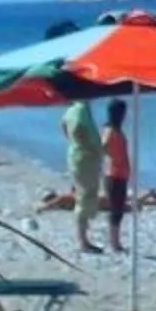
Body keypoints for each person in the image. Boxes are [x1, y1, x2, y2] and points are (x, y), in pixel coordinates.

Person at [61, 99, 104, 253]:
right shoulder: (81, 110)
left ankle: (84, 238)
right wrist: (89, 146)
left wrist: (75, 142)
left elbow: (63, 126)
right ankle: (83, 241)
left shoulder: (71, 109)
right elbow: (79, 127)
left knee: (84, 195)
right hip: (85, 157)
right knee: (85, 197)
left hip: (77, 155)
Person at [101, 99, 134, 253]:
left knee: (118, 208)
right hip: (114, 173)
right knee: (116, 209)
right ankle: (114, 243)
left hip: (119, 173)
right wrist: (114, 157)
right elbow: (103, 146)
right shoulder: (110, 130)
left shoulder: (116, 129)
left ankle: (115, 241)